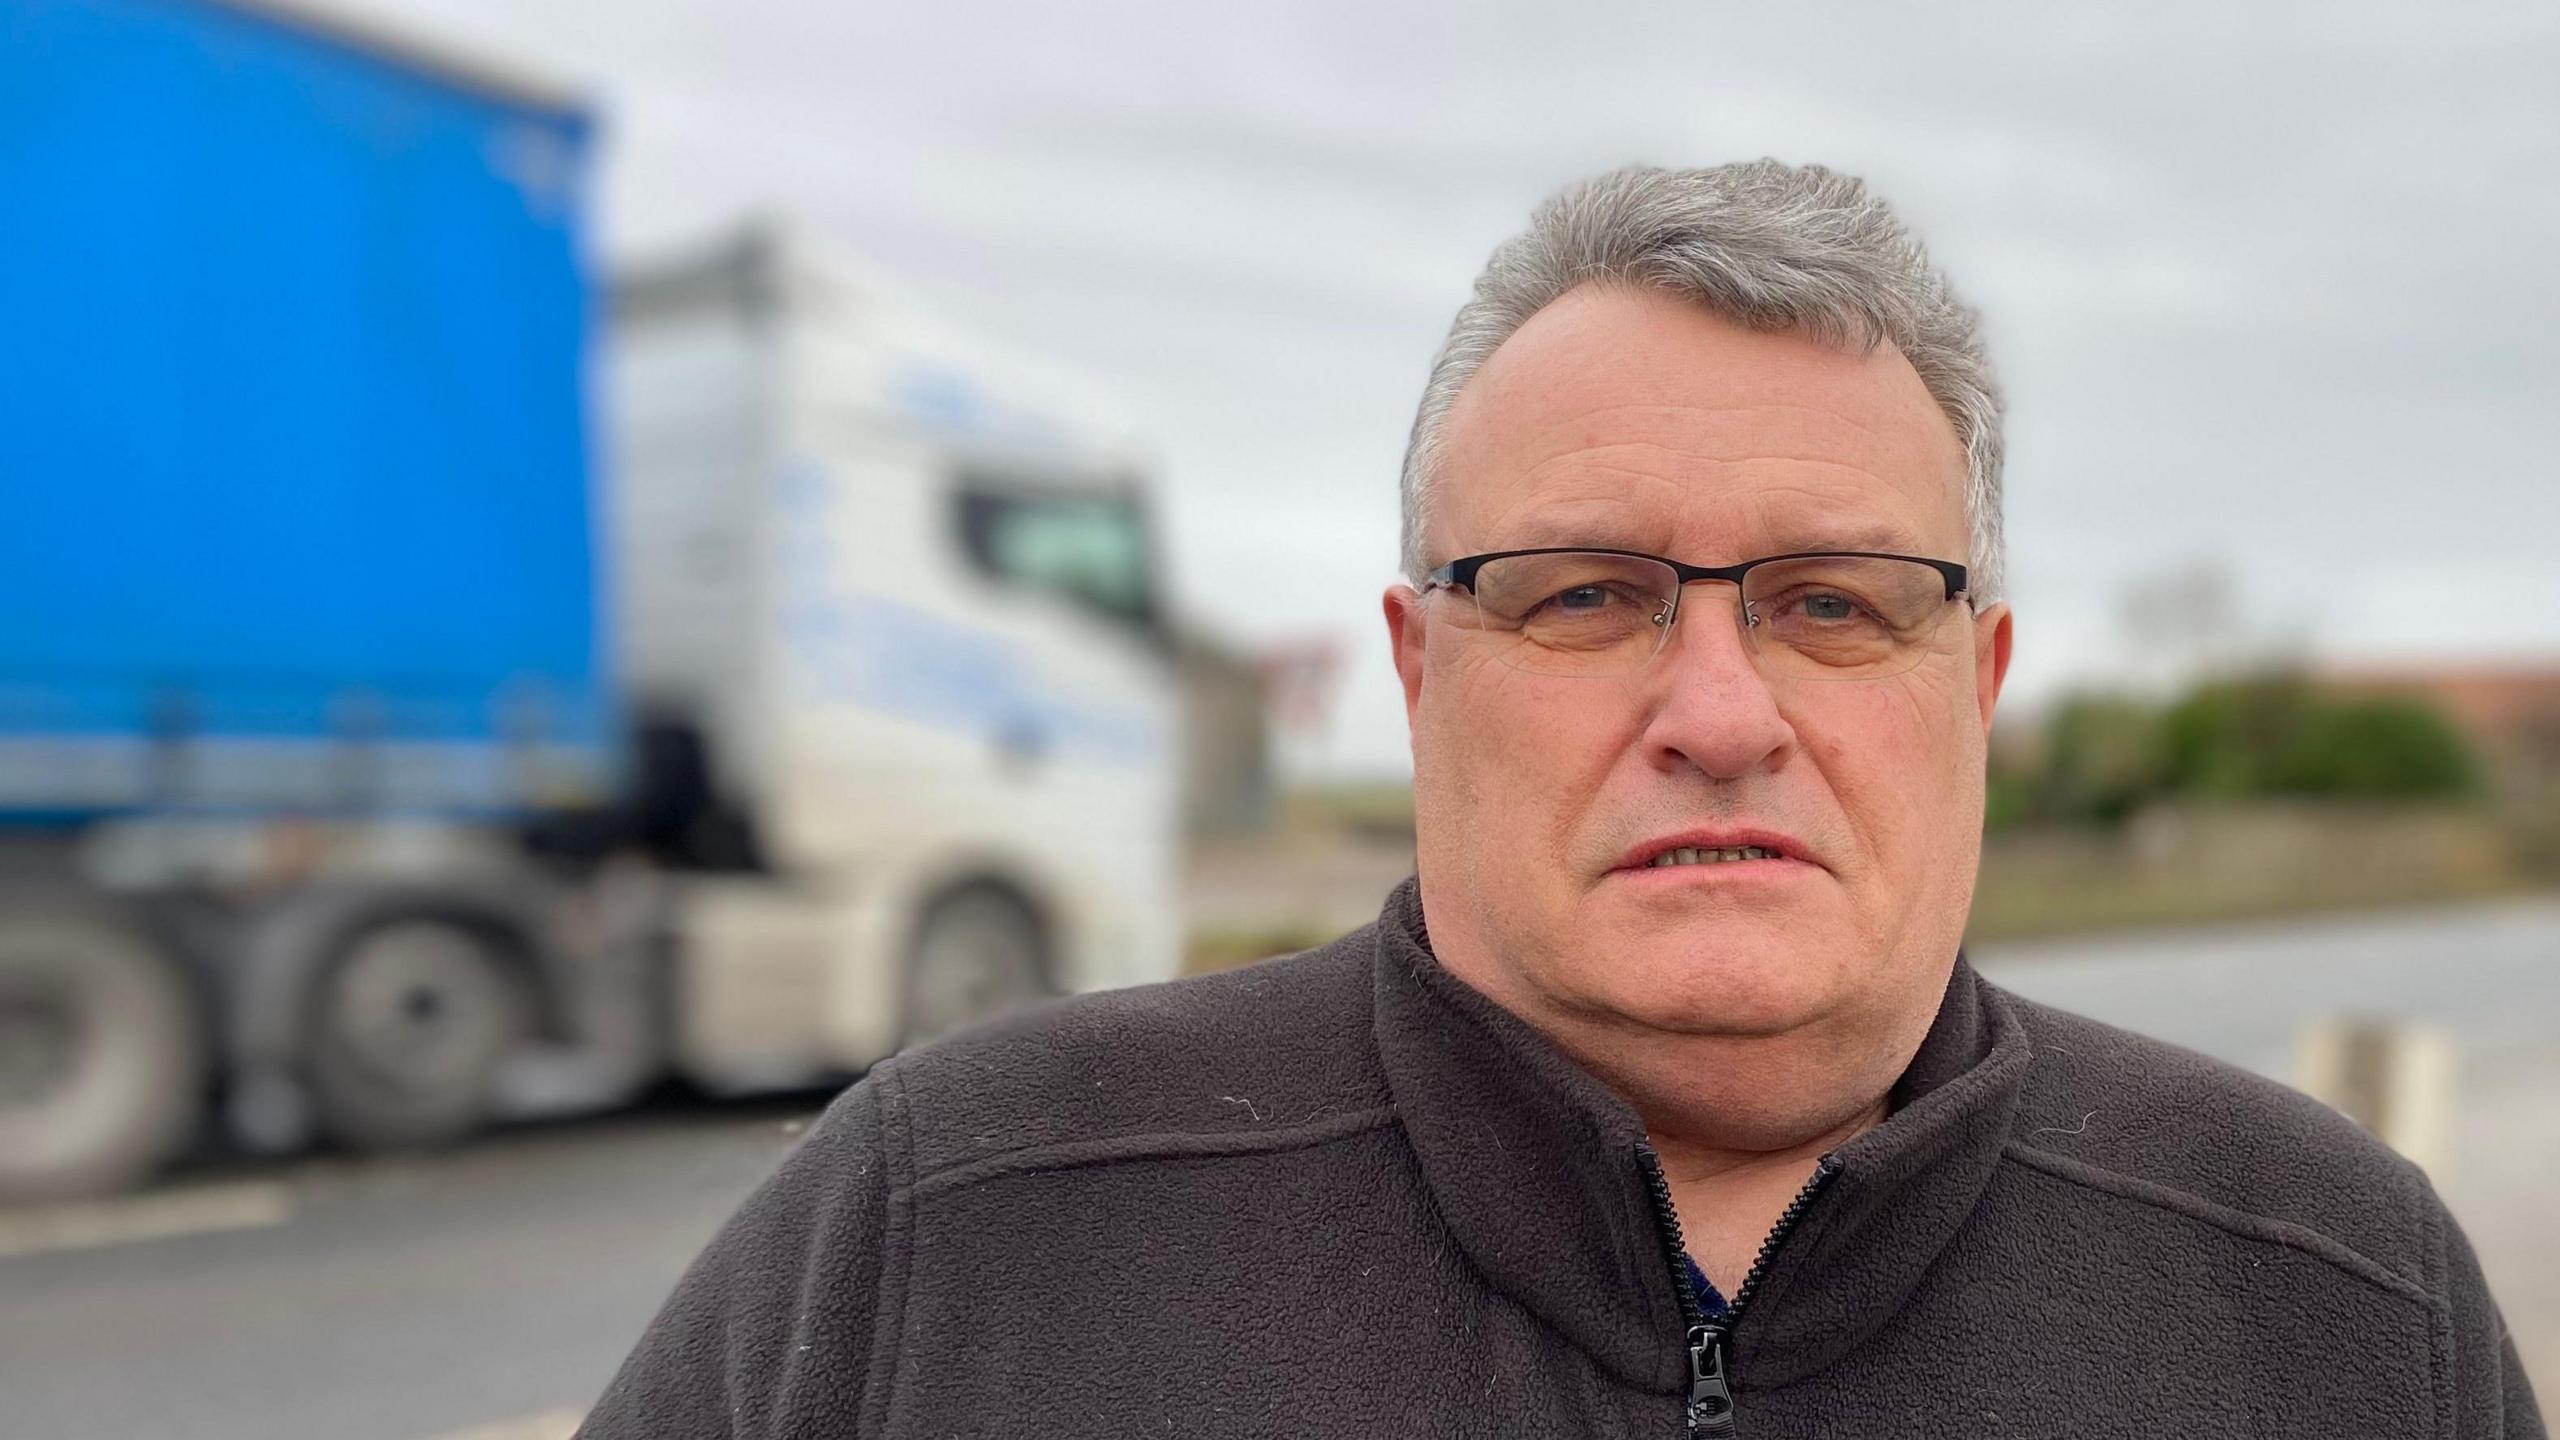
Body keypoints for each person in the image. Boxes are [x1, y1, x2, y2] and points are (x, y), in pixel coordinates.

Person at [576, 162, 2543, 1438]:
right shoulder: (950, 1229)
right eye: (1583, 595)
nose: (1715, 708)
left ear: (1980, 686)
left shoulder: (2330, 1299)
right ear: (1421, 674)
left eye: (1835, 605)